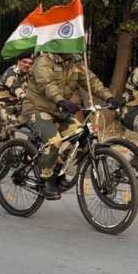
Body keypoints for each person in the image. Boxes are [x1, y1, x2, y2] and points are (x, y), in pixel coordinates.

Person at [23, 52, 119, 200]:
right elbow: (46, 85)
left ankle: (59, 168)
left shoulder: (75, 61)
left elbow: (91, 81)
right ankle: (45, 179)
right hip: (37, 109)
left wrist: (109, 97)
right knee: (54, 140)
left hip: (60, 112)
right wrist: (61, 101)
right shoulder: (44, 60)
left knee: (83, 135)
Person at [0, 53, 32, 135]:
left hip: (17, 105)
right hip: (1, 105)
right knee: (11, 127)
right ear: (18, 62)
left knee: (34, 121)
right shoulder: (10, 73)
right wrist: (26, 97)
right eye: (24, 62)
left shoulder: (28, 74)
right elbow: (16, 88)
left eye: (30, 63)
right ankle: (2, 144)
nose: (27, 65)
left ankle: (28, 146)